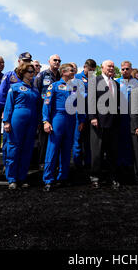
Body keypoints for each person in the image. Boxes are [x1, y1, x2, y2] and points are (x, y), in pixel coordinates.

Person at [42, 63, 85, 191]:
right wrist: (46, 121)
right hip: (58, 118)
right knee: (53, 149)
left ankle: (63, 177)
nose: (74, 72)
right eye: (72, 71)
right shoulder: (54, 86)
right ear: (64, 72)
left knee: (67, 150)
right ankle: (48, 180)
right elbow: (47, 104)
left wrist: (82, 120)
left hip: (71, 119)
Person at [3, 63, 40, 189]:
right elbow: (9, 105)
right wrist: (6, 121)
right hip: (17, 118)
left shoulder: (35, 89)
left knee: (27, 149)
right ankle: (12, 179)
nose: (32, 73)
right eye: (29, 71)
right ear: (23, 73)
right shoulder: (15, 87)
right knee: (14, 147)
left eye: (33, 71)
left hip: (32, 120)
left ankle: (22, 177)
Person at [88, 60, 121, 189]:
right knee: (97, 152)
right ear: (102, 68)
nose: (111, 68)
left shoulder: (116, 84)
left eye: (113, 66)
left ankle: (112, 177)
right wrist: (92, 117)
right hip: (98, 122)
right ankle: (95, 177)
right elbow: (90, 101)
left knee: (112, 152)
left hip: (113, 123)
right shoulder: (94, 81)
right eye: (109, 66)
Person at [0, 52, 33, 168]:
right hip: (10, 112)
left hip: (25, 115)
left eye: (29, 60)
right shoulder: (9, 75)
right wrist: (4, 112)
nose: (26, 62)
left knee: (23, 144)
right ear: (19, 61)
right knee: (10, 141)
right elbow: (2, 95)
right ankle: (7, 165)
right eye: (24, 60)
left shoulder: (32, 78)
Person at [34, 54, 62, 170]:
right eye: (55, 60)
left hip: (57, 112)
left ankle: (53, 163)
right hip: (43, 111)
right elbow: (35, 93)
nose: (57, 62)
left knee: (55, 138)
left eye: (59, 61)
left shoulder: (61, 76)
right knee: (43, 139)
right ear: (49, 61)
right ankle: (42, 163)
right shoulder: (42, 75)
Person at [72, 59, 96, 170]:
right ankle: (77, 165)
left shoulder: (94, 80)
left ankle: (88, 164)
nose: (91, 72)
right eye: (89, 70)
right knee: (77, 141)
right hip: (78, 113)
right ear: (84, 67)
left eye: (93, 71)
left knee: (89, 142)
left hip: (90, 114)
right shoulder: (76, 78)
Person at [116, 60, 137, 176]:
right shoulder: (116, 82)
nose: (125, 71)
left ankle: (129, 167)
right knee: (120, 142)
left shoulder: (137, 83)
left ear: (131, 70)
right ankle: (119, 166)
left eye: (127, 69)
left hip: (133, 118)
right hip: (120, 117)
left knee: (131, 143)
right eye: (123, 69)